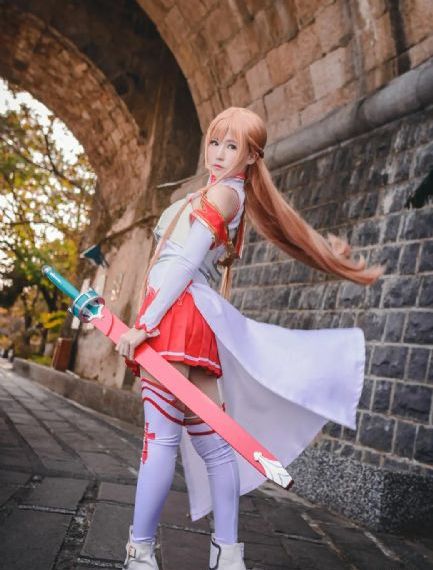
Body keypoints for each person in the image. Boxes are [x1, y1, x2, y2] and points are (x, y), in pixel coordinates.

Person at [115, 107, 385, 569]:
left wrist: (145, 324)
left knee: (159, 440)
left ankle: (139, 554)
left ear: (252, 156)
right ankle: (228, 554)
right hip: (188, 319)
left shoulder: (224, 194)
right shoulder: (222, 191)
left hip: (173, 318)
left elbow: (184, 262)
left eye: (232, 146)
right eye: (215, 142)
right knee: (215, 444)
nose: (219, 154)